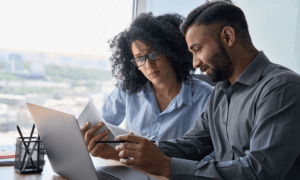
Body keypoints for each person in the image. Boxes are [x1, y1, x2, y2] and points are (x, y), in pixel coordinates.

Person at [113, 1, 300, 179]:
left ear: (228, 37)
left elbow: (260, 172)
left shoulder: (282, 88)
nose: (195, 62)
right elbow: (192, 144)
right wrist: (127, 150)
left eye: (198, 49)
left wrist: (166, 166)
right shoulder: (221, 92)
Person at [80, 13, 213, 161]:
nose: (148, 65)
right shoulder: (128, 90)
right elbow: (101, 125)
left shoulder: (207, 98)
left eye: (154, 53)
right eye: (139, 58)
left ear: (171, 51)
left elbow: (213, 158)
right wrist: (89, 137)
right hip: (130, 171)